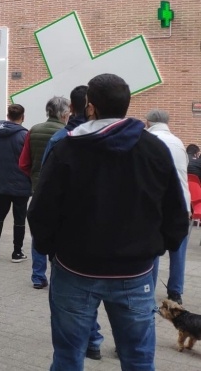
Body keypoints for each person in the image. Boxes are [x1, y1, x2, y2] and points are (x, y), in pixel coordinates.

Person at [27, 73, 189, 371]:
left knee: (67, 357)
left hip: (75, 269)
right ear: (127, 105)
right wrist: (155, 248)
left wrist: (52, 250)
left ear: (90, 107)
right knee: (138, 358)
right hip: (134, 272)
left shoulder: (68, 147)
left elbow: (40, 210)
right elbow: (177, 212)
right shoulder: (153, 149)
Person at [40, 86, 104, 361]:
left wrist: (46, 244)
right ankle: (94, 340)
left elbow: (44, 189)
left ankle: (88, 341)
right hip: (116, 246)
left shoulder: (60, 139)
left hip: (69, 242)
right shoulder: (129, 141)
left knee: (71, 307)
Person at [19, 96, 70, 289]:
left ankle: (38, 276)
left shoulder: (33, 130)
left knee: (38, 233)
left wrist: (34, 178)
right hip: (61, 192)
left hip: (39, 189)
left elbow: (24, 163)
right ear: (65, 114)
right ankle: (59, 274)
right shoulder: (67, 133)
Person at [145, 109, 191, 306]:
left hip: (157, 205)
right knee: (178, 251)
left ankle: (148, 289)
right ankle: (175, 292)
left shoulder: (147, 141)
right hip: (182, 204)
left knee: (152, 250)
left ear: (148, 122)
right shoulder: (179, 142)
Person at [0, 104, 30, 263]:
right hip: (21, 184)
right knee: (19, 218)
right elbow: (29, 161)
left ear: (8, 116)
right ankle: (17, 252)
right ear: (22, 117)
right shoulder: (25, 135)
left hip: (1, 184)